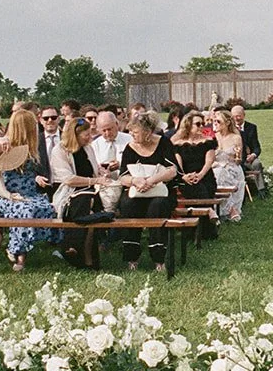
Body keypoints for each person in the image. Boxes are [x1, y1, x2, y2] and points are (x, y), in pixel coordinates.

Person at [0, 109, 58, 272]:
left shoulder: (33, 146)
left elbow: (30, 172)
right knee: (25, 211)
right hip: (10, 194)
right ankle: (19, 256)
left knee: (47, 208)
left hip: (32, 192)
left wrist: (36, 178)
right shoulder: (5, 147)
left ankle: (25, 248)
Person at [117, 113, 180, 272]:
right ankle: (132, 257)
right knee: (127, 205)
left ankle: (158, 258)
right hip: (137, 191)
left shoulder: (164, 143)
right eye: (130, 131)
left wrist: (151, 181)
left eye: (135, 132)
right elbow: (122, 176)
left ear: (147, 132)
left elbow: (172, 170)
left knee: (157, 206)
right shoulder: (130, 147)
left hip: (161, 191)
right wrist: (135, 181)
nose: (132, 135)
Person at [49, 115, 109, 265]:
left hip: (91, 192)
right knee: (86, 203)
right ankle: (85, 255)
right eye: (86, 135)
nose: (90, 138)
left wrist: (101, 173)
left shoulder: (88, 148)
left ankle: (73, 247)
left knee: (88, 203)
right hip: (70, 193)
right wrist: (94, 180)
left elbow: (93, 170)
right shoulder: (60, 151)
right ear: (75, 136)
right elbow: (68, 179)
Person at [170, 111, 218, 208]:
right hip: (186, 178)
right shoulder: (178, 144)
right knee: (191, 185)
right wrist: (184, 176)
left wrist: (200, 175)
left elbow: (209, 162)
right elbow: (178, 164)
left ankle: (207, 214)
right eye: (198, 124)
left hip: (205, 176)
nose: (201, 126)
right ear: (188, 125)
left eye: (203, 124)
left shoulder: (208, 141)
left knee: (200, 187)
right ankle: (209, 213)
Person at [91, 112, 133, 216]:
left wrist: (121, 166)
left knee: (127, 204)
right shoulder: (95, 145)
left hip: (126, 184)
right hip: (104, 186)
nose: (107, 133)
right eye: (103, 130)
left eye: (110, 129)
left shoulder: (130, 140)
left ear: (117, 124)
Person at [210, 110, 247, 221]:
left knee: (221, 173)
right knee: (219, 173)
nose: (215, 123)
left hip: (232, 168)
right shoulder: (214, 137)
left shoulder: (236, 138)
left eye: (218, 121)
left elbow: (238, 159)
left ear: (227, 123)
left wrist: (235, 157)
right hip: (216, 166)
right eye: (214, 121)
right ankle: (230, 209)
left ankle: (229, 209)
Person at [231, 104, 263, 196]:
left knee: (257, 164)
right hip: (236, 157)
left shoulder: (251, 127)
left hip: (249, 157)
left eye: (238, 116)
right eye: (234, 116)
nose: (236, 118)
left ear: (244, 115)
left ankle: (261, 190)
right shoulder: (231, 129)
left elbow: (256, 146)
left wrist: (253, 155)